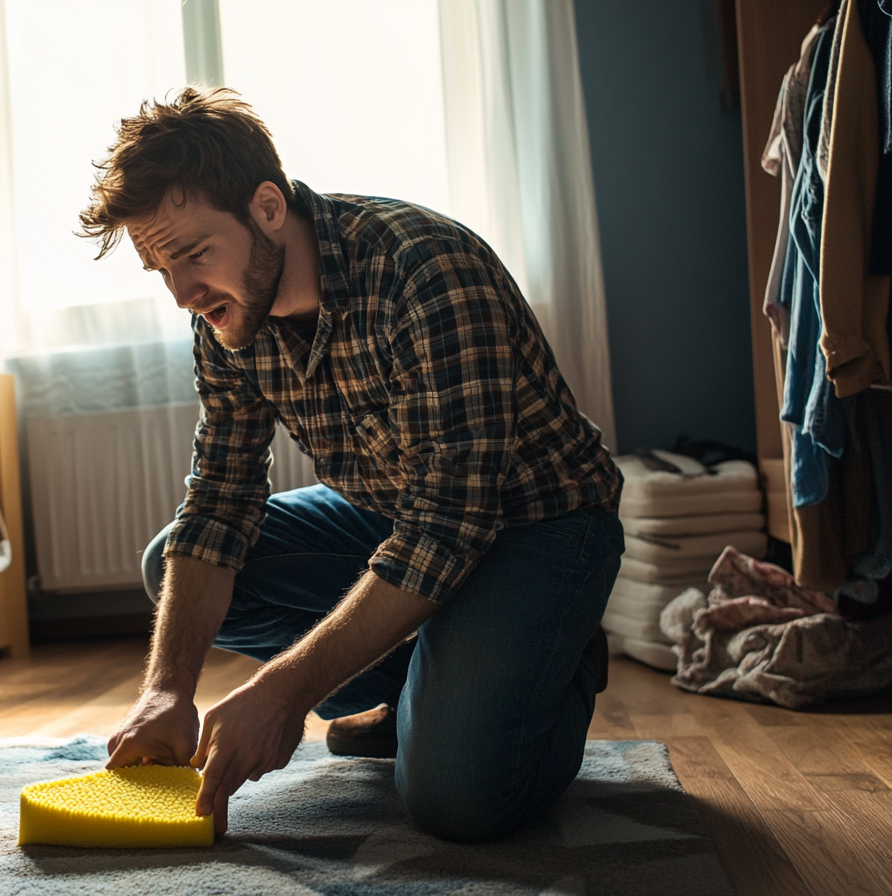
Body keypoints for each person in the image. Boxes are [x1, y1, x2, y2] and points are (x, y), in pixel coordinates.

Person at [78, 87, 623, 843]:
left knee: (455, 801)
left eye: (195, 255)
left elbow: (453, 525)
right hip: (405, 515)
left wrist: (285, 690)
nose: (181, 294)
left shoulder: (423, 269)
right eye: (158, 269)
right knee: (170, 561)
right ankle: (424, 685)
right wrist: (166, 691)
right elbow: (217, 504)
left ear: (268, 208)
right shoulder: (226, 313)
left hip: (539, 525)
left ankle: (554, 666)